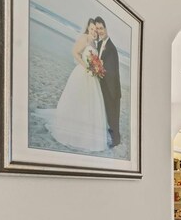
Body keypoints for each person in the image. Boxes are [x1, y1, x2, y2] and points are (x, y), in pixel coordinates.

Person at [44, 18, 108, 151]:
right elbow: (75, 52)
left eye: (95, 30)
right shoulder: (84, 38)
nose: (93, 31)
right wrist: (86, 66)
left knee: (89, 103)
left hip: (91, 76)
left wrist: (97, 67)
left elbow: (94, 59)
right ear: (88, 28)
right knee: (78, 100)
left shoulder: (95, 43)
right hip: (82, 72)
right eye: (91, 29)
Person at [95, 16, 122, 147]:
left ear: (105, 28)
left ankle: (116, 140)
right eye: (97, 28)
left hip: (112, 88)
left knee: (113, 115)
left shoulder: (111, 48)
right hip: (102, 84)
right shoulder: (99, 44)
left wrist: (99, 69)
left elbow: (111, 71)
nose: (99, 31)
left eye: (101, 28)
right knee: (104, 112)